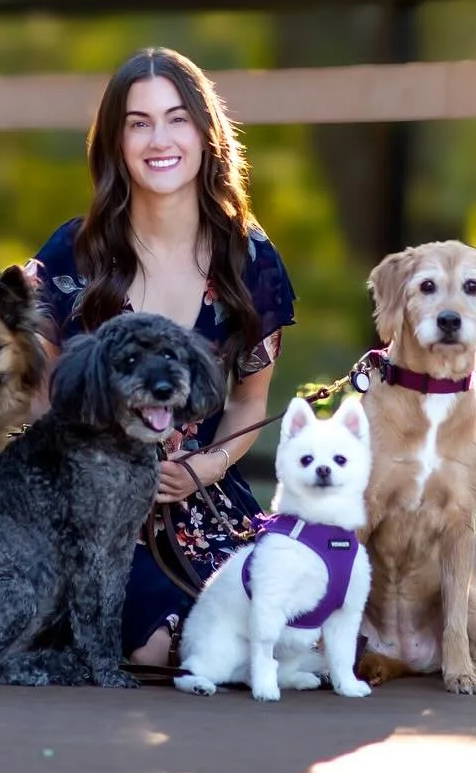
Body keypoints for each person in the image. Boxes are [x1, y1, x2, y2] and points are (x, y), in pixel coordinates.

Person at [26, 46, 297, 667]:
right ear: (115, 141)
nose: (159, 140)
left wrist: (205, 466)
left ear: (206, 135)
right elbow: (40, 397)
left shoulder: (250, 260)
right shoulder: (74, 252)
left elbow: (250, 400)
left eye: (177, 119)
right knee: (164, 646)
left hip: (199, 496)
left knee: (283, 628)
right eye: (139, 122)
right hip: (87, 502)